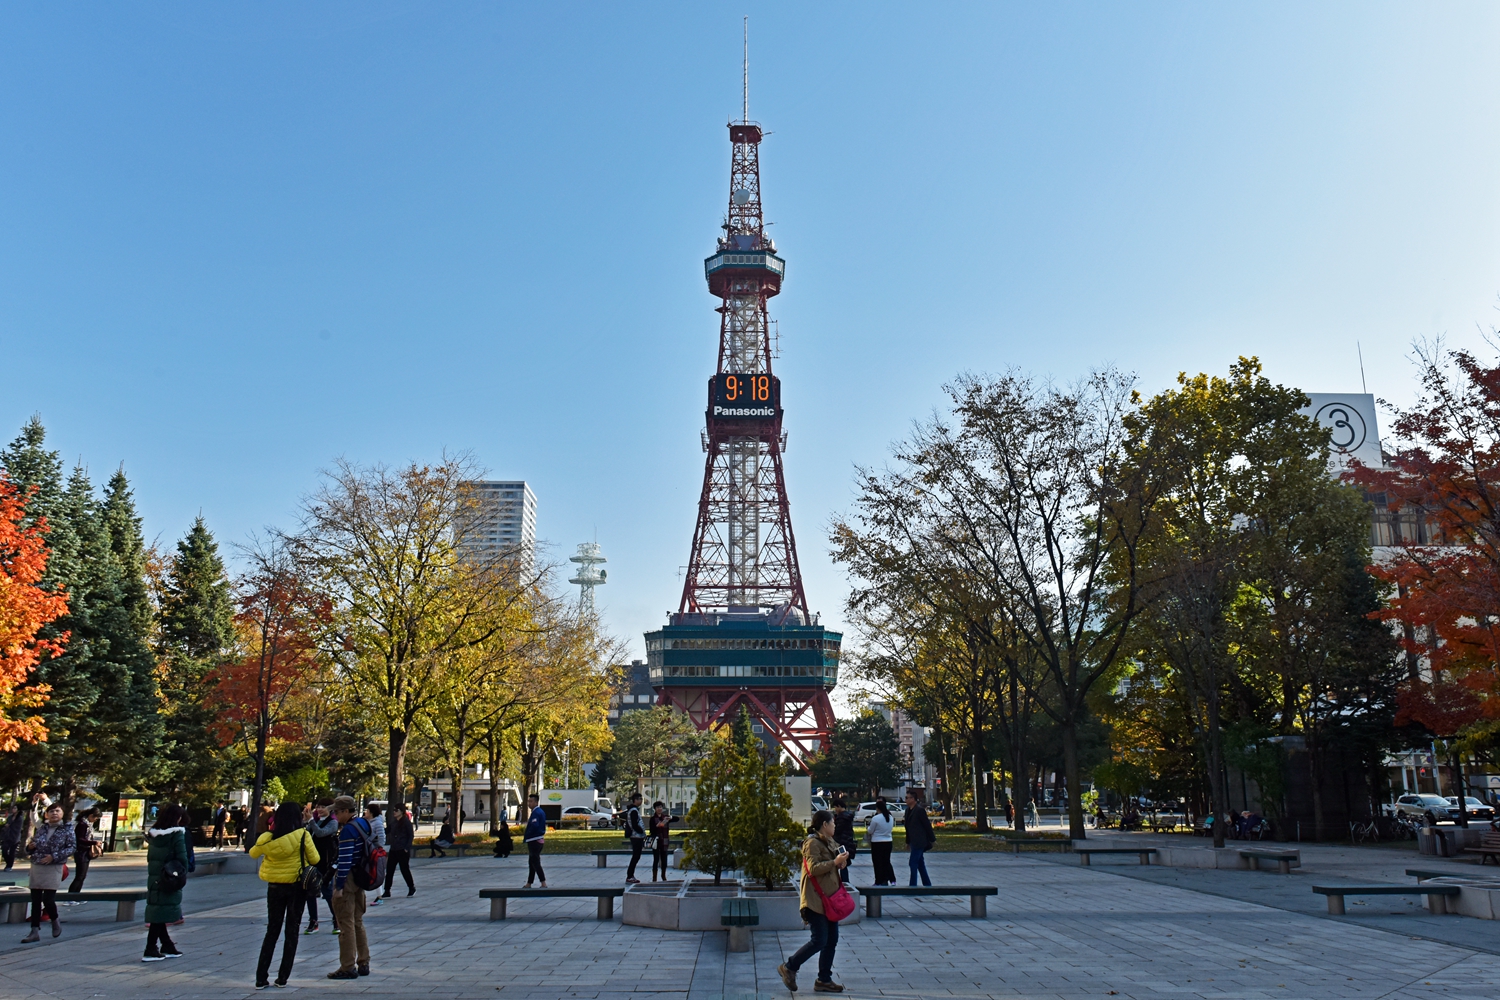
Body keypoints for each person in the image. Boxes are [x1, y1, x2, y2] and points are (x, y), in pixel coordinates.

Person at [777, 809, 848, 994]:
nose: (835, 826)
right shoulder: (811, 844)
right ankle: (790, 966)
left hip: (830, 900)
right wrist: (834, 863)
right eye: (832, 823)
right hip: (815, 900)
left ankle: (824, 979)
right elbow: (813, 868)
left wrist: (841, 862)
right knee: (819, 940)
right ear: (824, 825)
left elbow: (832, 864)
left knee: (831, 940)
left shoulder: (830, 842)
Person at [250, 801, 318, 989]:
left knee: (272, 930)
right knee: (292, 930)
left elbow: (253, 853)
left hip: (274, 887)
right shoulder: (302, 835)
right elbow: (315, 859)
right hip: (297, 887)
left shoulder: (267, 837)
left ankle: (261, 977)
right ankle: (282, 977)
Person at [327, 796, 371, 980]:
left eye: (337, 812)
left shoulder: (347, 831)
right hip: (361, 876)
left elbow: (344, 861)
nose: (335, 815)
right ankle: (364, 961)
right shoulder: (363, 824)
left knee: (345, 924)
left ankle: (347, 966)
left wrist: (338, 887)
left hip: (348, 879)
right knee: (357, 921)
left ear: (346, 811)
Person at [21, 802, 73, 943]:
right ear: (47, 814)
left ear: (62, 814)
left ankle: (55, 920)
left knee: (48, 899)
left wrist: (54, 856)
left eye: (57, 811)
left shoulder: (67, 829)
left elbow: (71, 848)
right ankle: (34, 931)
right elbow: (34, 844)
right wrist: (30, 847)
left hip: (53, 866)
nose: (54, 813)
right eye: (51, 811)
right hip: (37, 865)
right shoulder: (42, 828)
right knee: (36, 900)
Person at [142, 804, 187, 961]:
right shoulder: (176, 835)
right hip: (170, 877)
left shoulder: (154, 836)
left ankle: (167, 945)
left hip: (155, 878)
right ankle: (150, 949)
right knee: (159, 915)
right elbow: (182, 859)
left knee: (159, 912)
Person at [303, 801, 339, 935]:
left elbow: (320, 833)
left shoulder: (333, 822)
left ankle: (336, 919)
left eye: (323, 807)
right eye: (318, 807)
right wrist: (306, 821)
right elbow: (306, 835)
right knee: (310, 892)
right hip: (312, 862)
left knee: (328, 892)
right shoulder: (315, 821)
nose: (319, 809)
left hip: (325, 862)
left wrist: (311, 820)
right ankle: (313, 921)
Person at [383, 805, 415, 897]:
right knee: (390, 870)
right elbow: (386, 831)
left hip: (402, 850)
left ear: (402, 811)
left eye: (396, 810)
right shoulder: (393, 823)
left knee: (404, 869)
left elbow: (410, 836)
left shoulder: (406, 822)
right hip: (394, 849)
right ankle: (387, 890)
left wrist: (406, 848)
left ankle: (411, 887)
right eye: (393, 810)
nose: (394, 812)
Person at [904, 790, 933, 888]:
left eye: (907, 798)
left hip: (920, 841)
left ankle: (913, 886)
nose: (906, 800)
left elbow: (927, 825)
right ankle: (927, 884)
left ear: (913, 799)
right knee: (920, 863)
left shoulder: (919, 810)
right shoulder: (908, 810)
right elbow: (907, 827)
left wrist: (932, 839)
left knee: (913, 862)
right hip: (913, 841)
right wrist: (908, 842)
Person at [69, 808, 102, 892]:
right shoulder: (82, 825)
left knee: (82, 876)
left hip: (85, 852)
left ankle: (76, 895)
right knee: (80, 876)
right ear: (91, 816)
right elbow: (80, 839)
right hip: (81, 852)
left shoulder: (88, 824)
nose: (95, 820)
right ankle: (70, 896)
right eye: (95, 818)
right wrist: (94, 843)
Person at [866, 797, 896, 886]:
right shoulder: (890, 817)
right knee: (886, 861)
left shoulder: (876, 818)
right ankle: (892, 879)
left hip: (877, 842)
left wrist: (868, 828)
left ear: (878, 808)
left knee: (877, 862)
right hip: (888, 841)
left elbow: (871, 831)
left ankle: (878, 880)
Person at [522, 793, 548, 889]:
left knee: (535, 862)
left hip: (534, 840)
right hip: (537, 839)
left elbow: (535, 825)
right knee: (532, 862)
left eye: (531, 801)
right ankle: (529, 883)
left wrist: (528, 833)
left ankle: (543, 882)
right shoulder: (540, 811)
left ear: (536, 802)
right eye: (529, 801)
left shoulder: (536, 813)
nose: (529, 803)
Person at [364, 804, 386, 906]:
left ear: (371, 812)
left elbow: (381, 836)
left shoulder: (377, 823)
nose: (365, 812)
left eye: (367, 811)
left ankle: (380, 896)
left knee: (375, 872)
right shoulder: (367, 822)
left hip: (375, 850)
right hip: (369, 849)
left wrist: (378, 849)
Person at [831, 797, 857, 884]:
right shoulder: (847, 816)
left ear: (839, 806)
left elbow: (837, 831)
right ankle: (845, 882)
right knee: (843, 864)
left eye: (835, 807)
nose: (835, 810)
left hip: (841, 843)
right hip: (847, 842)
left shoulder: (841, 818)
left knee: (841, 863)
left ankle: (844, 882)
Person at [623, 792, 646, 884]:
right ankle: (630, 875)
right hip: (636, 836)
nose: (641, 801)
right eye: (640, 799)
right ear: (635, 800)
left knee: (636, 856)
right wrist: (641, 831)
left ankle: (630, 875)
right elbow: (634, 824)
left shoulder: (634, 810)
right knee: (636, 856)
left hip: (637, 836)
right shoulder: (633, 811)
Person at [649, 801, 673, 882]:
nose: (659, 809)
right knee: (656, 859)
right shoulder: (652, 819)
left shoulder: (665, 817)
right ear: (655, 809)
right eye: (657, 807)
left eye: (661, 807)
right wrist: (657, 826)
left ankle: (663, 875)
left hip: (664, 841)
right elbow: (651, 830)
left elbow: (676, 819)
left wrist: (671, 818)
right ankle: (654, 877)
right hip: (656, 841)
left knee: (664, 859)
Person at [1, 802, 26, 870]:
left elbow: (18, 828)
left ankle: (9, 866)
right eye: (13, 808)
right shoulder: (10, 817)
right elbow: (7, 824)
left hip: (15, 837)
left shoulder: (20, 818)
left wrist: (10, 826)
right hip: (7, 836)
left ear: (18, 809)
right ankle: (8, 862)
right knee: (4, 850)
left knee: (12, 852)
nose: (13, 809)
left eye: (15, 808)